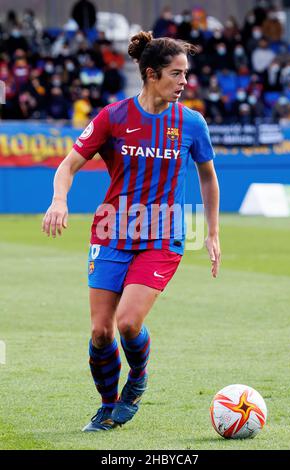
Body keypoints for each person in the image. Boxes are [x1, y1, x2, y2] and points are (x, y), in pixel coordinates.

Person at [42, 31, 221, 432]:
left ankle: (137, 379)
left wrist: (212, 232)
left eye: (186, 74)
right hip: (110, 233)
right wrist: (59, 200)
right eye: (176, 74)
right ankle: (108, 407)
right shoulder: (113, 117)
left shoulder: (191, 123)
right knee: (101, 332)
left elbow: (208, 177)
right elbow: (67, 165)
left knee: (127, 323)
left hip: (161, 238)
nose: (184, 82)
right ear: (151, 74)